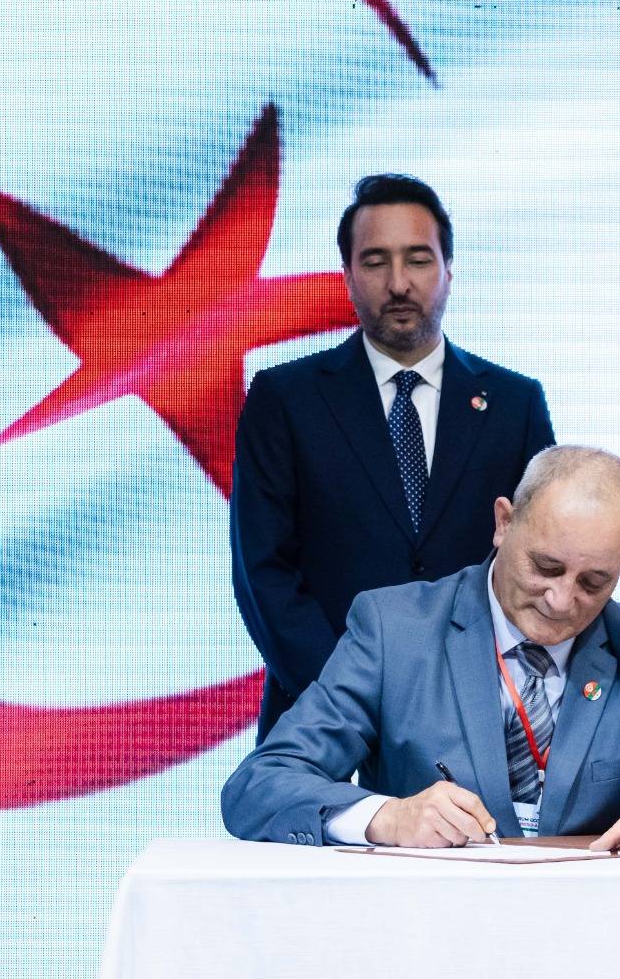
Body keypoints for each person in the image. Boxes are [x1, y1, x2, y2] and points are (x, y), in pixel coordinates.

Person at [222, 446, 620, 854]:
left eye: (594, 583)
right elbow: (259, 784)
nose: (561, 601)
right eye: (546, 567)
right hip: (420, 931)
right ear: (503, 523)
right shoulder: (395, 630)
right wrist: (386, 817)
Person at [231, 173, 555, 740]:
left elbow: (540, 560)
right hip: (322, 719)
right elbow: (264, 572)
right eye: (375, 261)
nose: (399, 283)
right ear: (347, 275)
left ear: (449, 270)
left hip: (479, 719)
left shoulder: (514, 404)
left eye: (419, 260)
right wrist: (350, 698)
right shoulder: (285, 399)